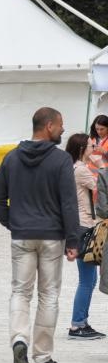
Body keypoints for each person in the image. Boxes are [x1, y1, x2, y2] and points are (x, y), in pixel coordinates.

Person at [0, 107, 79, 363]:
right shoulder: (61, 160)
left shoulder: (13, 158)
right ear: (49, 126)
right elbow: (69, 203)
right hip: (52, 236)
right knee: (48, 295)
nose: (64, 130)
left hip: (22, 235)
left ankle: (19, 339)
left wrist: (13, 222)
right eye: (61, 125)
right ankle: (42, 356)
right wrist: (73, 239)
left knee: (20, 291)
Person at [65, 134, 105, 340]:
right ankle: (77, 324)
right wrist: (101, 166)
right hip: (84, 226)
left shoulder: (70, 167)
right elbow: (101, 187)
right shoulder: (80, 169)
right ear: (82, 148)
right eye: (91, 145)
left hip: (78, 225)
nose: (94, 148)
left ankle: (81, 321)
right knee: (87, 281)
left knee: (87, 279)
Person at [86, 115, 108, 179]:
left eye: (102, 129)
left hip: (104, 177)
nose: (99, 131)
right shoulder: (92, 139)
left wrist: (105, 152)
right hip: (90, 175)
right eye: (97, 129)